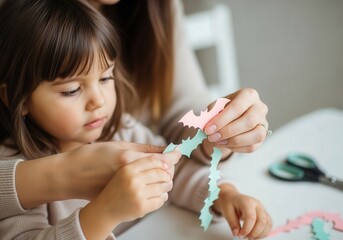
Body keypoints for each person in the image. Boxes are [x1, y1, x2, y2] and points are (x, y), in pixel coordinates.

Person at [0, 0, 272, 239]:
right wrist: (104, 212)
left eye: (106, 78)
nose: (99, 101)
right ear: (16, 99)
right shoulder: (18, 168)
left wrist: (223, 195)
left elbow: (176, 173)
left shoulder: (124, 131)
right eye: (71, 90)